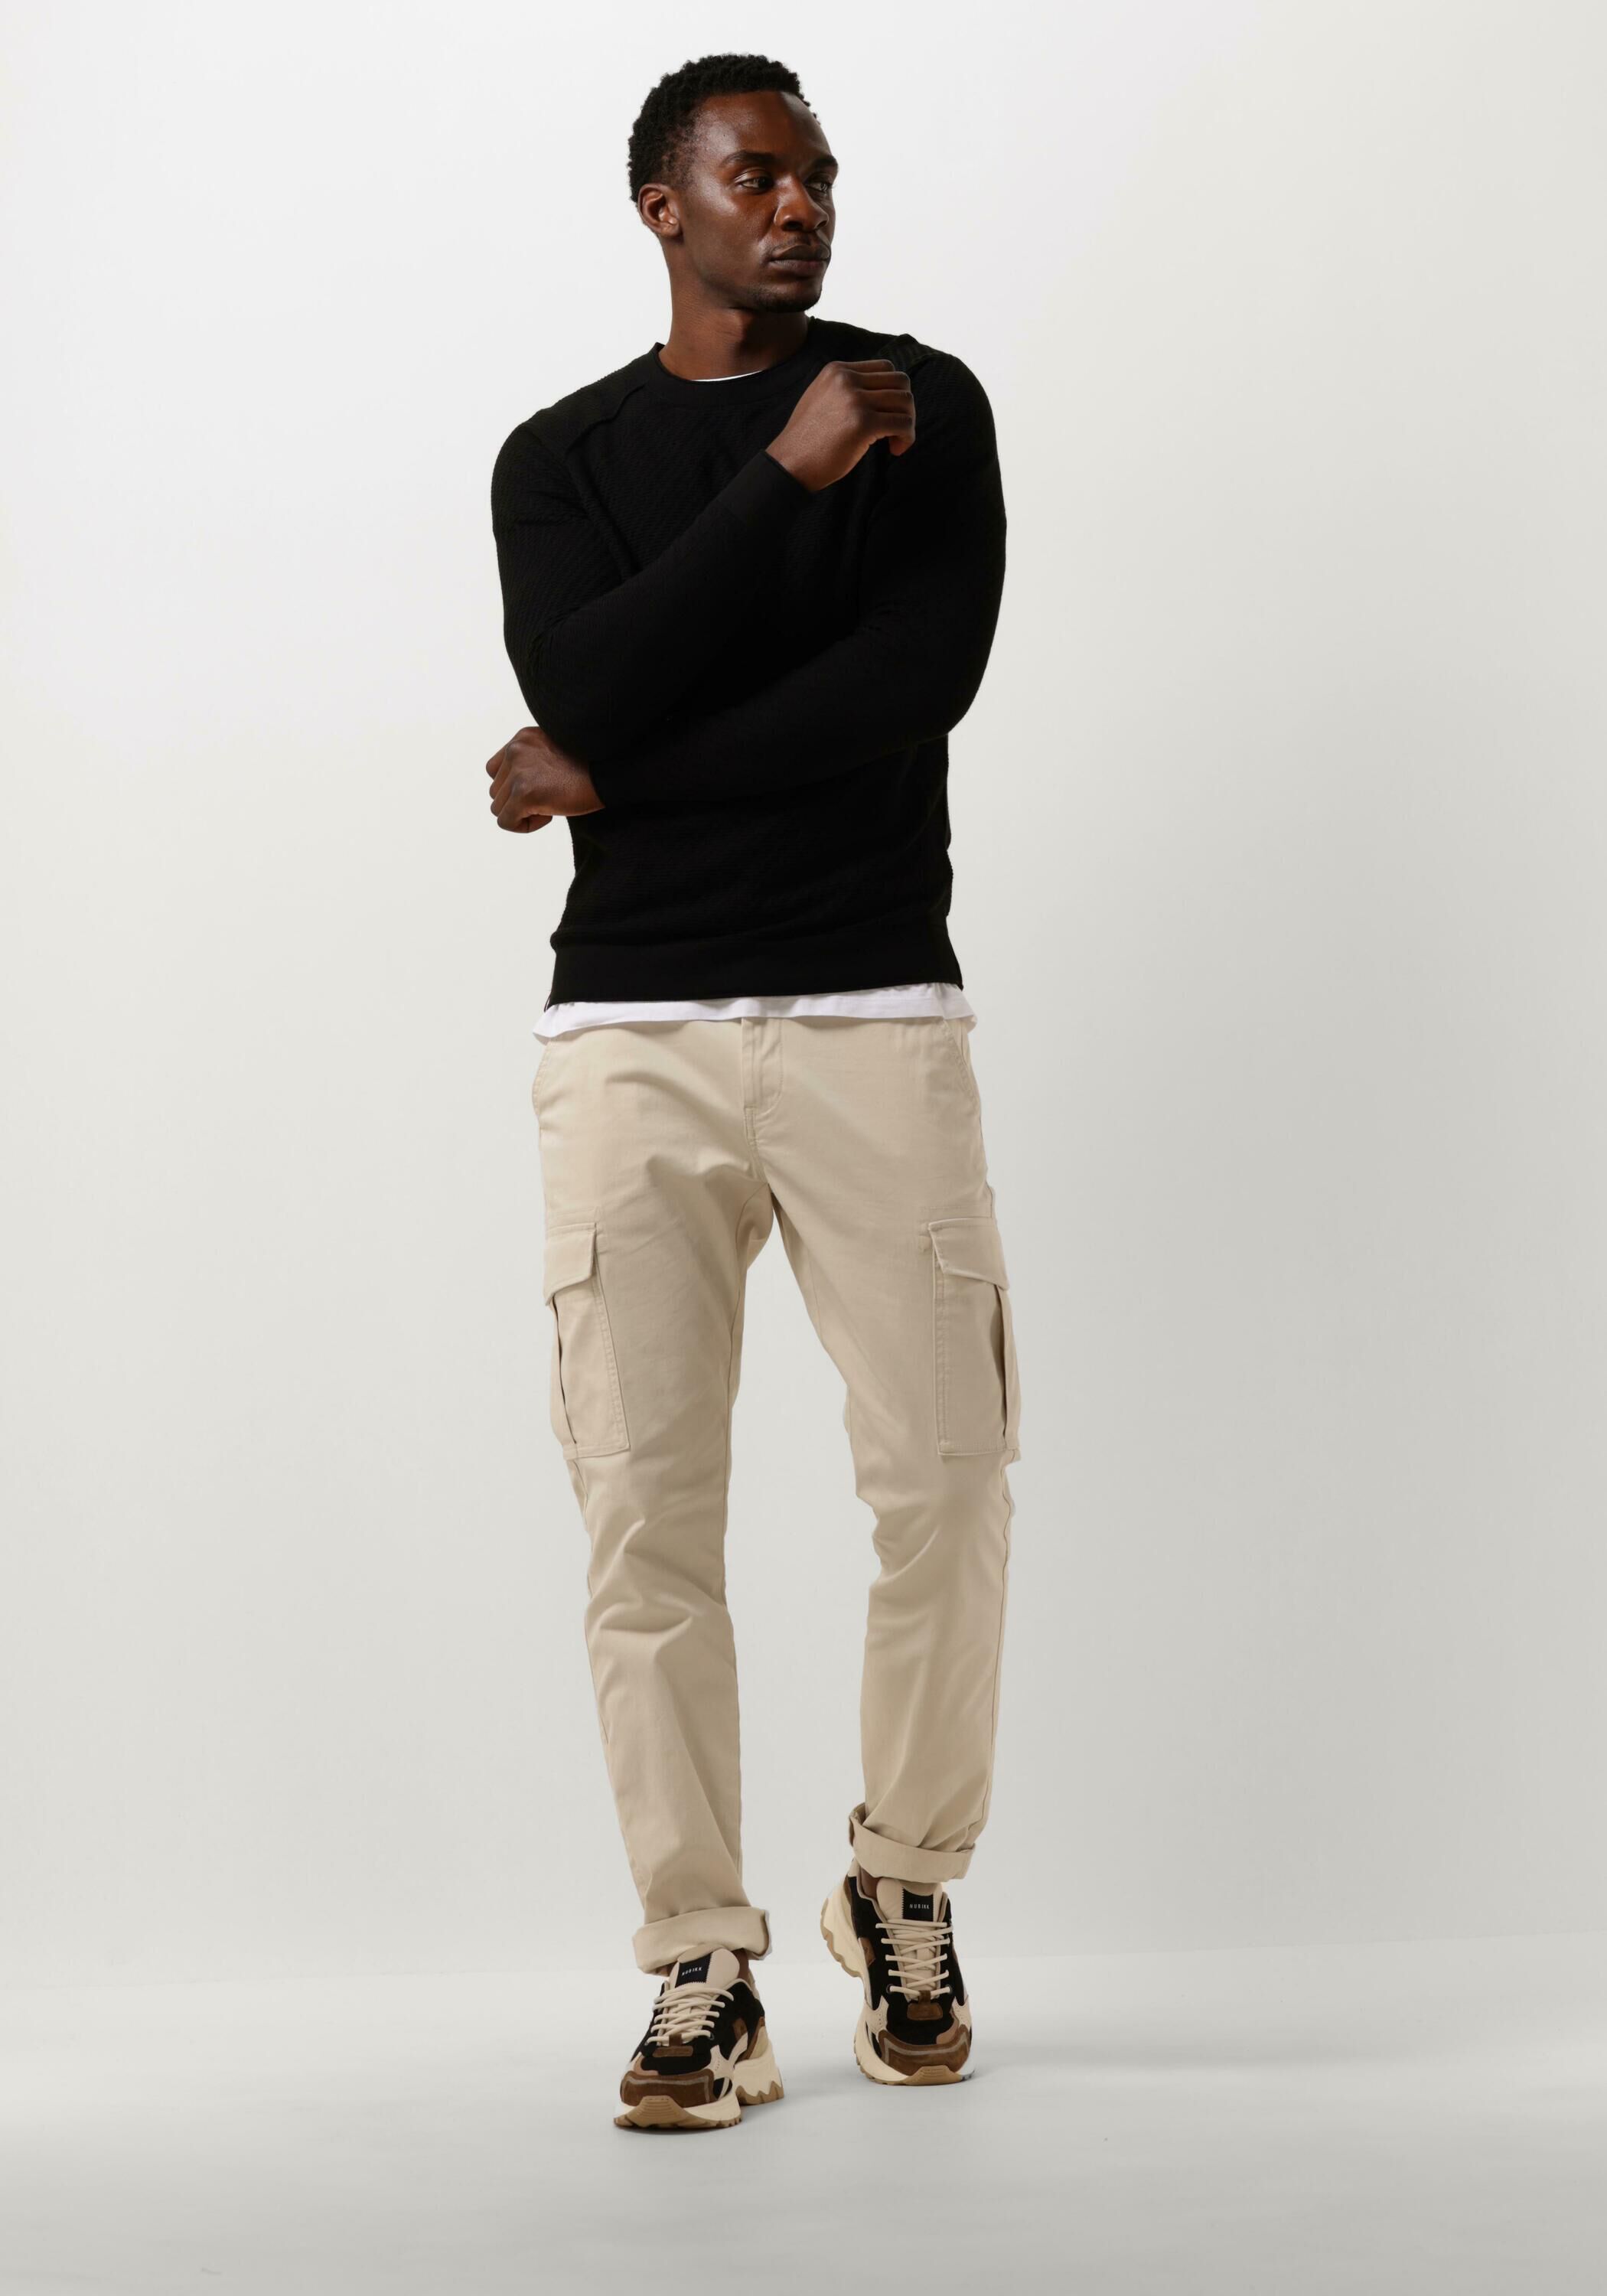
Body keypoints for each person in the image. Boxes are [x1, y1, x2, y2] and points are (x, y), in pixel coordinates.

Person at [486, 51, 1019, 2132]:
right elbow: (583, 674)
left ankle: (901, 1880)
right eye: (756, 176)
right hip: (628, 1035)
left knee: (947, 1481)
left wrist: (611, 783)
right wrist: (780, 482)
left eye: (816, 176)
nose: (798, 206)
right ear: (665, 207)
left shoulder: (918, 402)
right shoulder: (561, 457)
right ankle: (700, 1962)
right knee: (645, 1517)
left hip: (876, 1008)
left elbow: (908, 688)